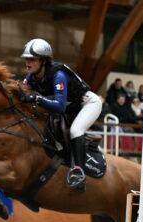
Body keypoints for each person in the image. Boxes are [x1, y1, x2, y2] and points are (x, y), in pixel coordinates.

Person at [20, 38, 102, 190]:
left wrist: (37, 98)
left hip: (88, 103)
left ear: (43, 61)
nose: (27, 62)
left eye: (32, 59)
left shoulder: (58, 74)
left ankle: (78, 171)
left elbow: (59, 106)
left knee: (76, 130)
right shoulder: (30, 77)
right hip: (72, 107)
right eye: (26, 58)